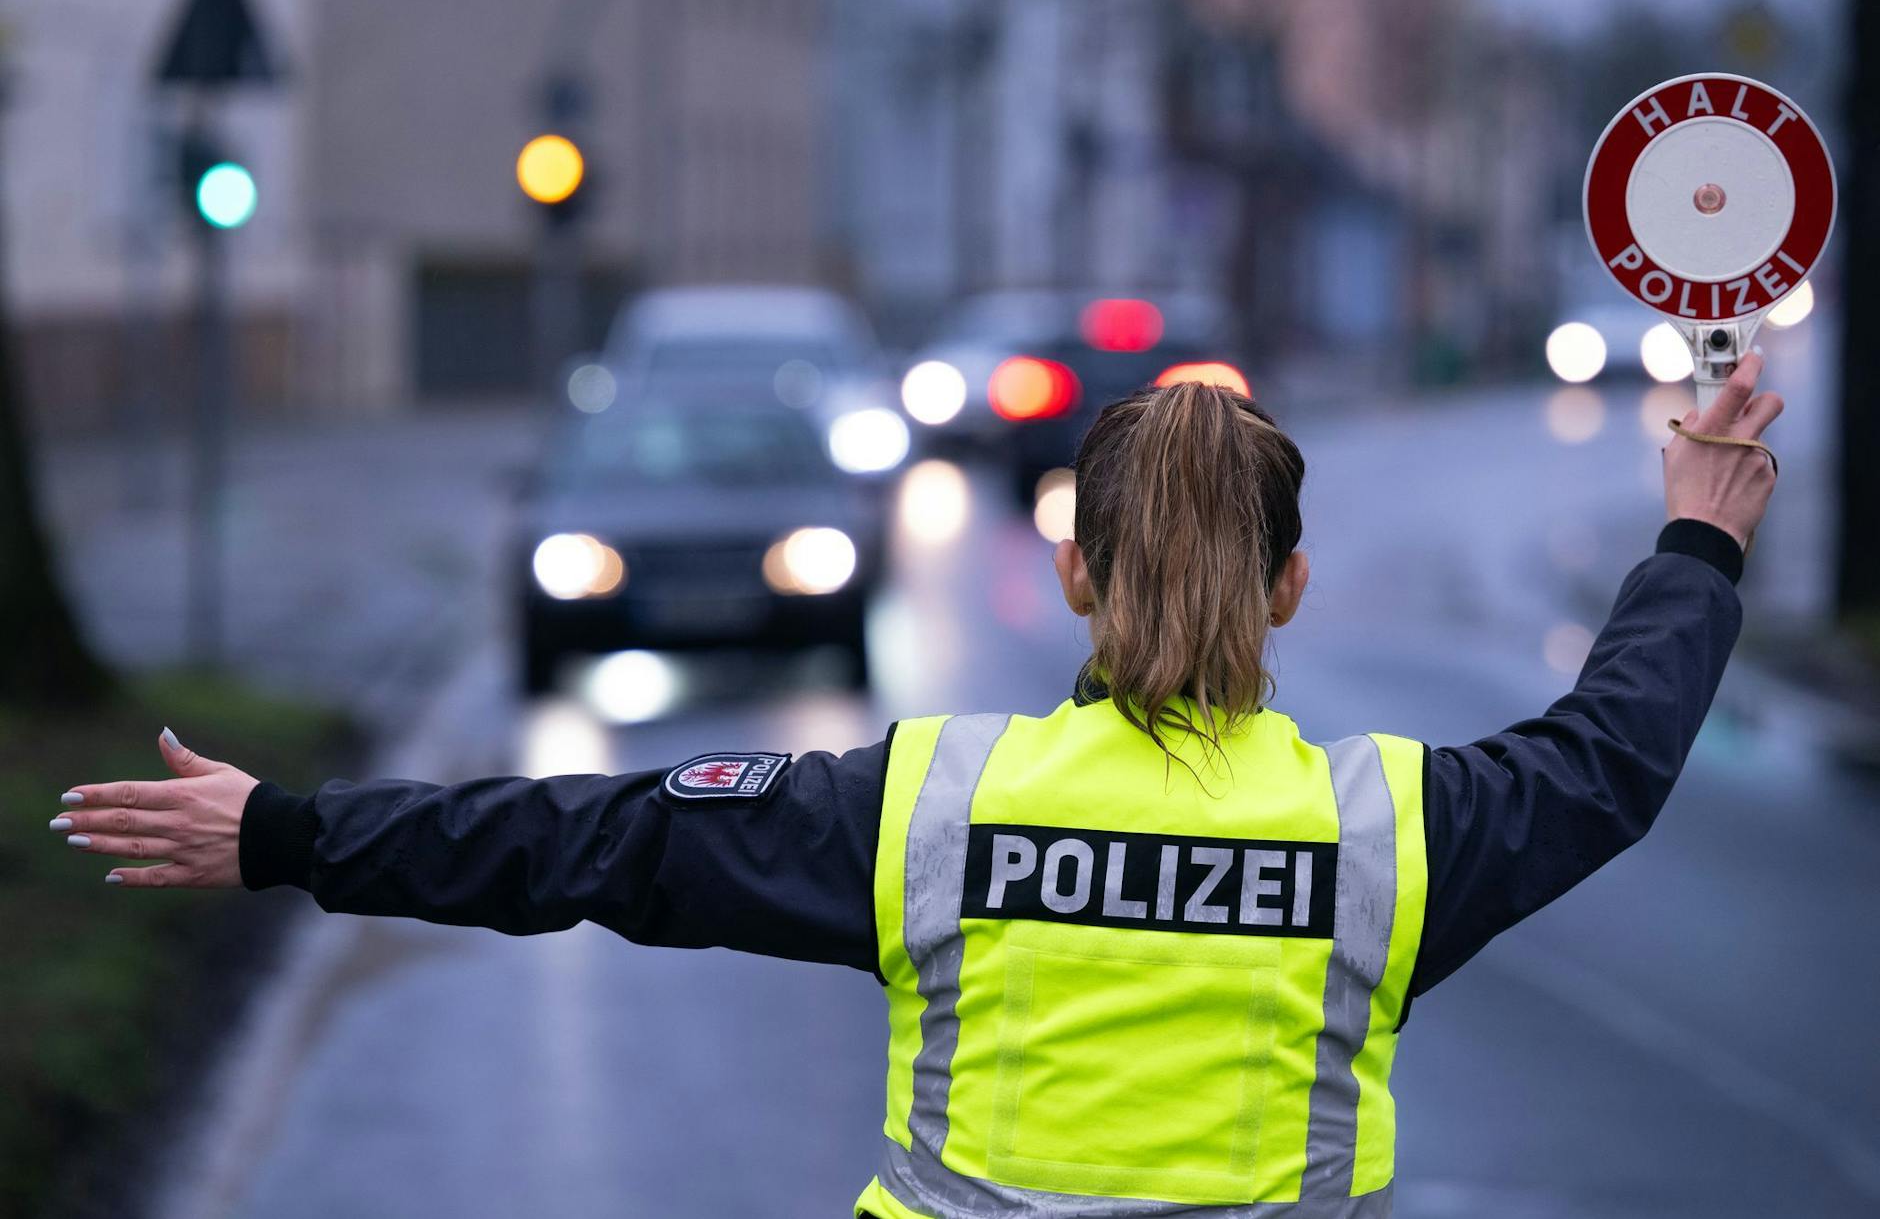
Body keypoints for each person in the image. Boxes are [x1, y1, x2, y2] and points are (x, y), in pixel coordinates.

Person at [51, 355, 1782, 1218]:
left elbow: (584, 838)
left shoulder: (932, 809)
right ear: (1290, 588)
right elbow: (1608, 757)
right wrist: (1698, 529)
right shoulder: (1388, 836)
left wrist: (285, 830)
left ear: (1084, 576)